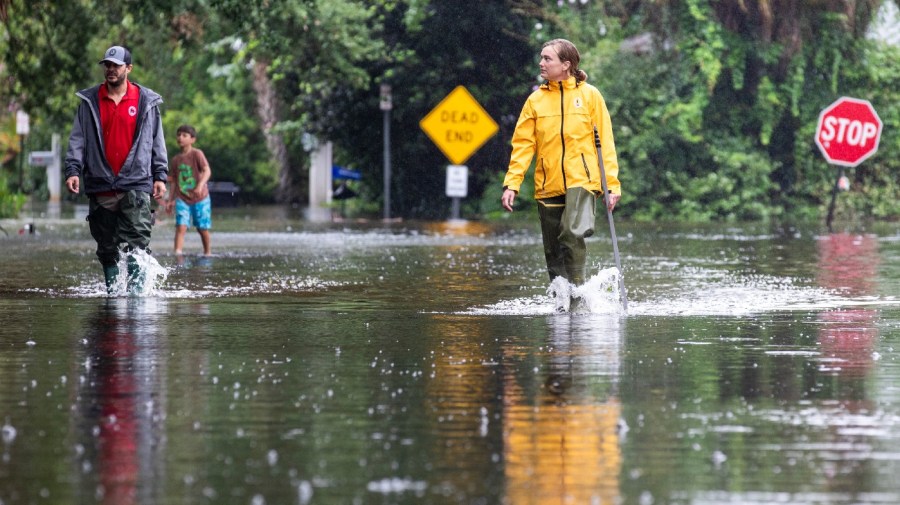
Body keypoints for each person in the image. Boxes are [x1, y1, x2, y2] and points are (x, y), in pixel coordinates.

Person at [501, 38, 621, 287]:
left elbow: (605, 143)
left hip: (583, 180)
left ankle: (578, 293)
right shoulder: (535, 101)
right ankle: (560, 301)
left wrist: (612, 184)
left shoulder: (590, 96)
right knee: (553, 249)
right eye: (541, 58)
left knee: (571, 232)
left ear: (566, 64)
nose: (541, 63)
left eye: (547, 58)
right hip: (548, 182)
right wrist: (512, 184)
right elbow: (523, 145)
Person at [64, 45, 168, 294]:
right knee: (106, 247)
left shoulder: (146, 101)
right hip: (101, 182)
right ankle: (112, 295)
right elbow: (78, 139)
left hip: (136, 181)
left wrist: (160, 175)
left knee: (138, 243)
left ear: (128, 69)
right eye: (107, 65)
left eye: (116, 66)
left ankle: (136, 298)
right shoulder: (90, 101)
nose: (110, 70)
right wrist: (73, 170)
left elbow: (157, 139)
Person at [164, 124, 212, 256]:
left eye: (184, 135)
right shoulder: (175, 160)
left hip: (201, 198)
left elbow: (207, 170)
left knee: (202, 228)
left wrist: (200, 185)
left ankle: (207, 253)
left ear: (192, 139)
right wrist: (170, 200)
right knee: (181, 226)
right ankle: (177, 254)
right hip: (182, 198)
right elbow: (173, 181)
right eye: (178, 135)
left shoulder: (197, 154)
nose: (180, 138)